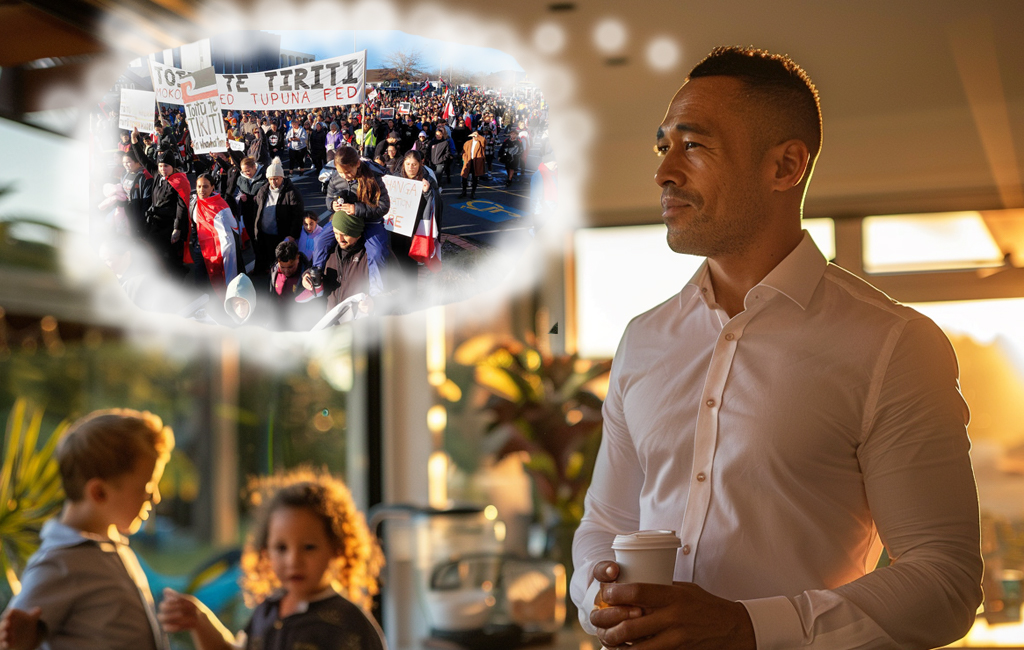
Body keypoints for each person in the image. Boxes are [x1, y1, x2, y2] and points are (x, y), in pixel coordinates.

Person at [571, 46, 983, 650]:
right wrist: (596, 595)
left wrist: (746, 627)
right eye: (664, 147)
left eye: (694, 146)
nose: (664, 172)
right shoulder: (643, 339)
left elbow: (944, 580)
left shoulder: (894, 344)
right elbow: (605, 525)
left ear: (786, 166)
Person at [0, 409, 174, 650]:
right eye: (147, 486)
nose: (155, 497)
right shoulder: (58, 562)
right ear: (98, 493)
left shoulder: (111, 546)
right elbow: (14, 638)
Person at [157, 469, 385, 650]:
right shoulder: (266, 612)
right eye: (281, 548)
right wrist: (199, 619)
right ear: (266, 552)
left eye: (309, 547)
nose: (294, 560)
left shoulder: (350, 625)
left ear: (336, 548)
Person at [322, 147, 392, 297]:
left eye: (348, 172)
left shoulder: (373, 178)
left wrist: (357, 209)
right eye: (341, 172)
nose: (344, 176)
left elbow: (384, 206)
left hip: (370, 222)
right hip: (345, 221)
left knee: (377, 251)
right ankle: (316, 275)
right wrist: (331, 205)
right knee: (320, 240)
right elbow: (328, 198)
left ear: (357, 164)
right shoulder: (336, 177)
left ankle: (376, 292)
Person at [186, 173, 241, 294]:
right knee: (200, 279)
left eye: (205, 186)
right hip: (199, 247)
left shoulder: (221, 206)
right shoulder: (194, 202)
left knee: (216, 280)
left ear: (212, 187)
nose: (201, 190)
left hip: (216, 251)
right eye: (199, 186)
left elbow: (232, 231)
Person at [252, 157, 304, 277]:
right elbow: (257, 210)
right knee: (265, 255)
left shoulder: (292, 193)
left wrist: (292, 234)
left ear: (282, 177)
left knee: (279, 260)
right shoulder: (263, 191)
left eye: (276, 179)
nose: (274, 182)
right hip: (265, 232)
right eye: (271, 179)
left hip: (281, 234)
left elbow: (298, 215)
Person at [459, 130, 486, 199]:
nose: (474, 136)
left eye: (476, 135)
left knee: (475, 178)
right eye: (473, 135)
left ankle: (472, 193)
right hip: (468, 161)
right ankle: (464, 191)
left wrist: (478, 136)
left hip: (477, 162)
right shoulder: (468, 143)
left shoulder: (481, 143)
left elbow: (484, 141)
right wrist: (465, 159)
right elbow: (463, 152)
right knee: (464, 176)